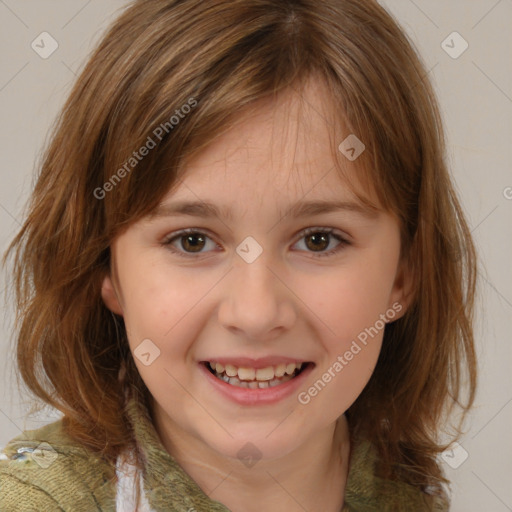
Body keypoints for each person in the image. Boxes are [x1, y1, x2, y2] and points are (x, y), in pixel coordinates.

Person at [0, 0, 477, 510]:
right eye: (192, 241)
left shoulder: (412, 492)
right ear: (106, 266)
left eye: (318, 240)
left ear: (405, 273)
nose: (255, 314)